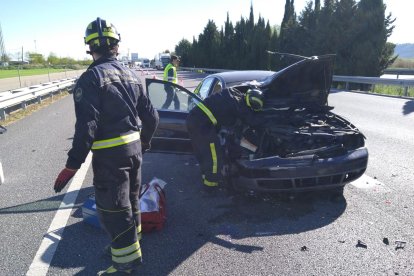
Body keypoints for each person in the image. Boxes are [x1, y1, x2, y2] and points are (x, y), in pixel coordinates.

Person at [53, 17, 159, 275]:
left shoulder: (90, 79)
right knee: (132, 200)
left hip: (111, 158)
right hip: (135, 151)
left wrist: (72, 165)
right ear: (117, 46)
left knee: (114, 208)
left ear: (90, 48)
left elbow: (86, 128)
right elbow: (152, 117)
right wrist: (144, 141)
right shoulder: (133, 75)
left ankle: (125, 263)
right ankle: (133, 245)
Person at [186, 87, 264, 188]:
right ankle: (211, 187)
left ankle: (206, 177)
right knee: (214, 157)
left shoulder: (232, 92)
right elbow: (250, 120)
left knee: (203, 154)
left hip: (194, 120)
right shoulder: (239, 106)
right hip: (202, 124)